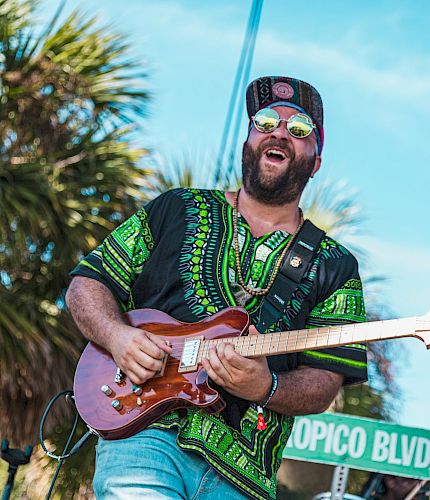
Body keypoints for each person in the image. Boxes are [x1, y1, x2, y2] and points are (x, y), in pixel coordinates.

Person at [66, 76, 368, 500]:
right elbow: (86, 283)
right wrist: (119, 337)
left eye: (299, 129)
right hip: (146, 433)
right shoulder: (176, 207)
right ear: (248, 143)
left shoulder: (336, 265)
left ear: (315, 161)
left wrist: (266, 388)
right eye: (264, 122)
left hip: (243, 476)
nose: (279, 131)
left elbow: (325, 379)